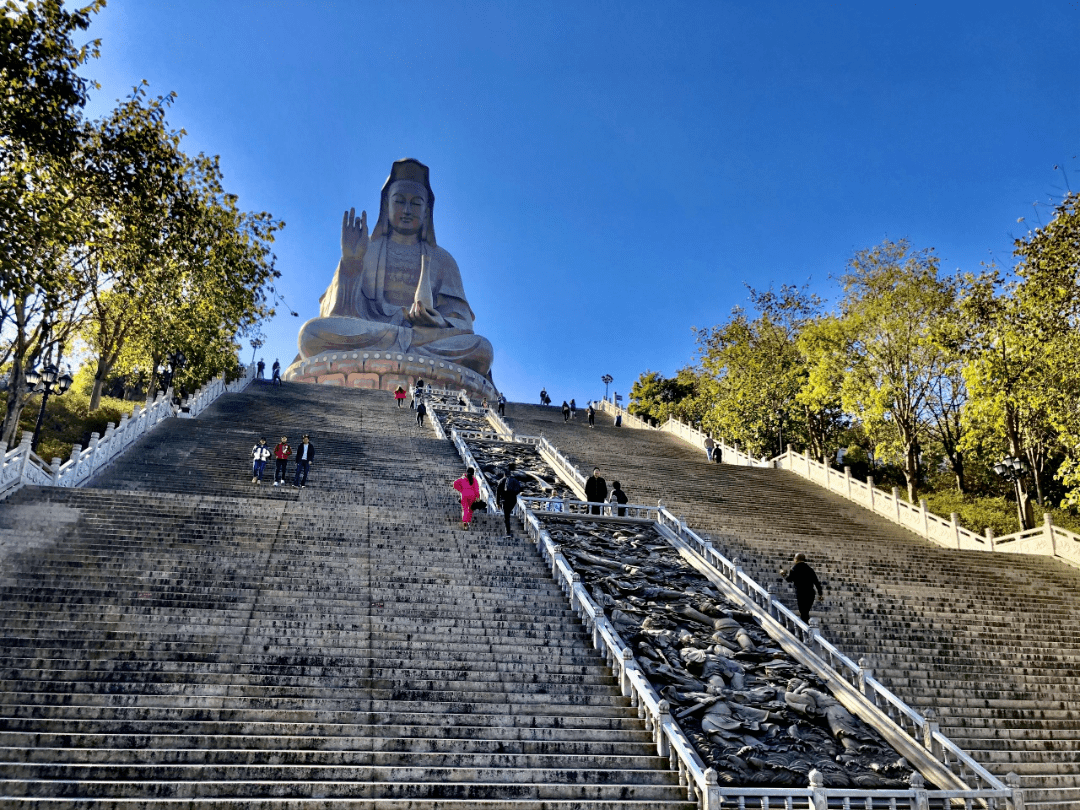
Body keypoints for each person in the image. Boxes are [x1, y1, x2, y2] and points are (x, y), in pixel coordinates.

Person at [296, 159, 494, 378]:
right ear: (386, 206)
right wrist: (351, 263)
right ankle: (405, 356)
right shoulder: (367, 249)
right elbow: (336, 313)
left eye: (416, 204)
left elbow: (462, 320)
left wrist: (439, 321)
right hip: (374, 333)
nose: (407, 210)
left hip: (425, 339)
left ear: (427, 212)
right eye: (399, 201)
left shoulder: (443, 259)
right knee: (311, 334)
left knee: (481, 348)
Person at [780, 552, 824, 623]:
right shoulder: (809, 569)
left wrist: (783, 574)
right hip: (810, 593)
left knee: (803, 611)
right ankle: (807, 626)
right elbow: (816, 582)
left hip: (801, 593)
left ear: (796, 559)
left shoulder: (794, 569)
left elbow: (789, 579)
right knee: (806, 611)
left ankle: (806, 627)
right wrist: (820, 594)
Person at [496, 462, 524, 537]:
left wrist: (497, 502)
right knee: (508, 513)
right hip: (513, 500)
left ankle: (508, 532)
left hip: (505, 500)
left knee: (506, 516)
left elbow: (498, 492)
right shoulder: (515, 480)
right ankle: (508, 531)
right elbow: (520, 489)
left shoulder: (502, 480)